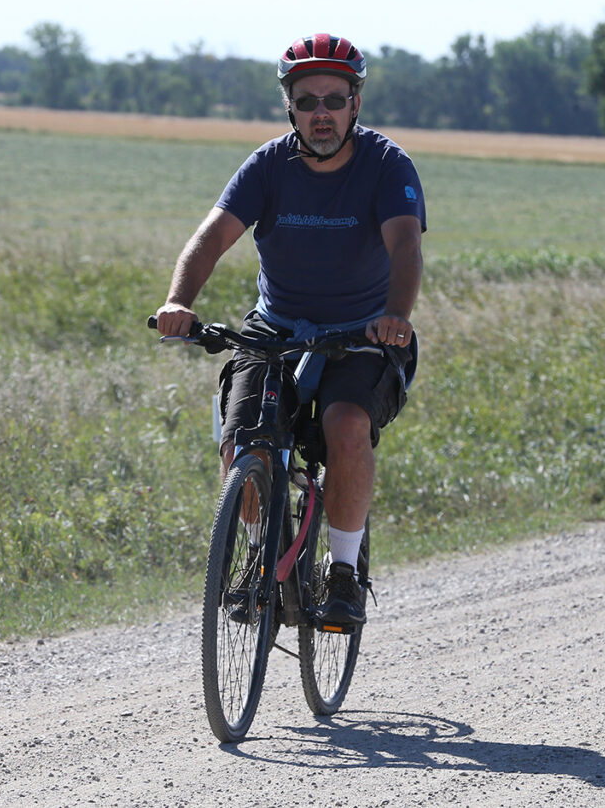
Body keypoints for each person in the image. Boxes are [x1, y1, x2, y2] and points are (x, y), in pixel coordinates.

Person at [154, 33, 425, 624]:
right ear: (290, 108)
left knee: (346, 425)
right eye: (307, 102)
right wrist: (178, 302)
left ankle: (344, 572)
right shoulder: (268, 166)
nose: (321, 113)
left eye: (334, 100)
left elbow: (405, 245)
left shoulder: (387, 166)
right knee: (242, 440)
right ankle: (259, 559)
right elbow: (212, 237)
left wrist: (396, 316)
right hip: (276, 327)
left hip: (362, 334)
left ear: (355, 104)